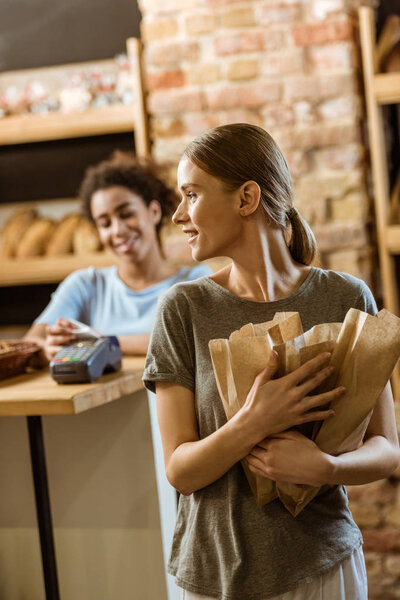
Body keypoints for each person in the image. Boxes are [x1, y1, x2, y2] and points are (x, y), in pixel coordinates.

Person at [142, 123, 400, 600]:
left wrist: (326, 468)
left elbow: (387, 447)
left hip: (325, 568)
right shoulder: (184, 308)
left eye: (192, 195)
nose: (179, 214)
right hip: (216, 576)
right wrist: (255, 421)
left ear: (246, 198)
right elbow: (180, 469)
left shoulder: (346, 297)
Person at [25, 152, 211, 360]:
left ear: (154, 212)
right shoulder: (86, 285)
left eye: (126, 214)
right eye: (105, 223)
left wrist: (101, 342)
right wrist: (49, 348)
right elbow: (32, 342)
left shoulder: (195, 281)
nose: (117, 230)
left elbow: (193, 340)